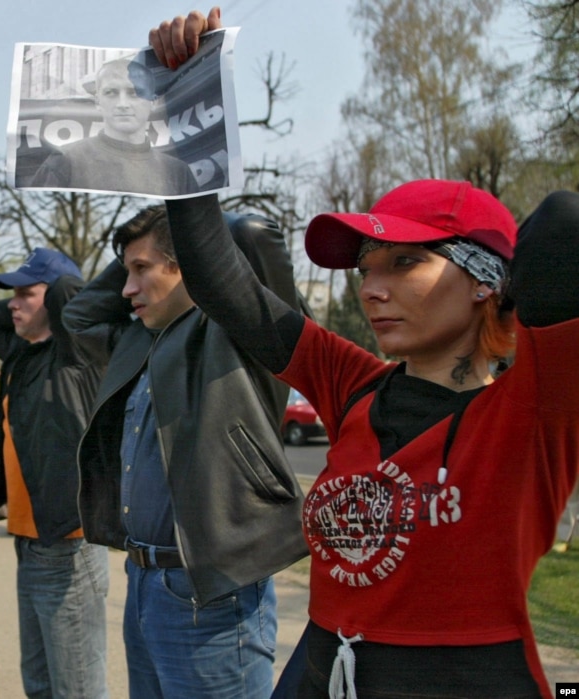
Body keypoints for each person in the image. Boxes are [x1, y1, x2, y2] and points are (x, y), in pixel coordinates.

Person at [156, 17, 578, 688]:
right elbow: (221, 284)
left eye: (404, 263)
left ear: (483, 279)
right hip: (324, 668)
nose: (373, 289)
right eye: (366, 269)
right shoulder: (351, 381)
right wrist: (188, 107)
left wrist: (509, 290)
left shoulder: (532, 410)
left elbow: (561, 223)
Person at [62, 206, 306, 698]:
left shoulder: (240, 334)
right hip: (143, 583)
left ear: (188, 264)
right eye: (125, 272)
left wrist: (182, 215)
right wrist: (136, 247)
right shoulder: (138, 340)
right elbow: (77, 315)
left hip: (210, 594)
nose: (127, 289)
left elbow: (253, 233)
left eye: (142, 269)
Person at [0, 248, 111, 699]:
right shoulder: (24, 353)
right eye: (12, 295)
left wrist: (54, 292)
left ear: (56, 302)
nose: (12, 305)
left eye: (25, 294)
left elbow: (72, 290)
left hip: (67, 547)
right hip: (30, 541)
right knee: (39, 685)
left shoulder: (78, 354)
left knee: (76, 690)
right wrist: (27, 294)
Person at [30, 57, 199, 197]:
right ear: (98, 102)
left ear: (153, 102)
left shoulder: (177, 172)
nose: (122, 104)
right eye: (111, 93)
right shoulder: (66, 160)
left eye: (135, 93)